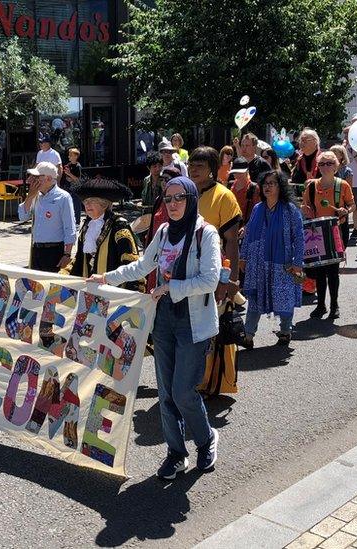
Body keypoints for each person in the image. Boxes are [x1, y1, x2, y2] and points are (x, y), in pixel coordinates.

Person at [89, 176, 221, 479]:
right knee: (165, 393)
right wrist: (106, 278)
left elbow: (210, 280)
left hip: (193, 323)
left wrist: (170, 287)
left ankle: (206, 439)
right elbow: (141, 267)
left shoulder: (205, 234)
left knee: (183, 392)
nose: (172, 204)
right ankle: (176, 453)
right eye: (168, 198)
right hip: (163, 321)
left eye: (179, 198)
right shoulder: (162, 233)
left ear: (191, 199)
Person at [188, 146, 242, 395]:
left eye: (199, 165)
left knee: (212, 329)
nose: (193, 169)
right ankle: (192, 379)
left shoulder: (224, 196)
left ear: (212, 169)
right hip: (187, 273)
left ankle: (212, 382)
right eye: (191, 164)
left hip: (215, 272)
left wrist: (230, 280)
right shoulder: (185, 194)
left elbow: (231, 241)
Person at [241, 170, 304, 346]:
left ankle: (285, 331)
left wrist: (298, 263)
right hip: (257, 263)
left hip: (282, 263)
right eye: (265, 183)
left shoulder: (290, 210)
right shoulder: (257, 209)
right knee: (254, 300)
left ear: (280, 186)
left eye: (272, 183)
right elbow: (248, 235)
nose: (267, 186)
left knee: (283, 297)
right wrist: (243, 257)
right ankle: (248, 336)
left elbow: (299, 237)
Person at [61, 179, 143, 291]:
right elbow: (80, 258)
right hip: (89, 290)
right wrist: (64, 274)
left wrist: (132, 294)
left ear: (104, 204)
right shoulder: (87, 227)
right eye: (85, 201)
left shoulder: (119, 227)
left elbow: (130, 262)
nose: (87, 204)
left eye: (92, 201)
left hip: (112, 292)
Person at [301, 151, 355, 319]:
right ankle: (321, 305)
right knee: (319, 270)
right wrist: (305, 210)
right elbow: (305, 206)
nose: (325, 167)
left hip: (336, 231)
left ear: (336, 166)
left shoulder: (342, 185)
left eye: (329, 163)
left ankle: (334, 305)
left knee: (332, 270)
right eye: (322, 164)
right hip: (317, 232)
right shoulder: (311, 186)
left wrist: (346, 210)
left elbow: (353, 205)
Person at [18, 162, 76, 272]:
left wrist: (67, 254)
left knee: (52, 287)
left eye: (36, 177)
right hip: (36, 250)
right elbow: (23, 217)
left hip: (54, 251)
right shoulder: (36, 195)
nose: (31, 180)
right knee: (37, 287)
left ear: (48, 178)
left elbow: (70, 227)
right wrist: (29, 197)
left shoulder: (63, 197)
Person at [226, 157, 261, 226]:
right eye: (235, 172)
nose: (237, 175)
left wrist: (247, 227)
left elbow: (257, 212)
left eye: (240, 172)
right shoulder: (230, 185)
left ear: (247, 171)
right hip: (230, 226)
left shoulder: (253, 188)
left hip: (246, 228)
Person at [290, 129, 321, 196]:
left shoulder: (324, 159)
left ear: (315, 142)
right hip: (301, 199)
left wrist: (315, 181)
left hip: (320, 198)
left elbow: (330, 181)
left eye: (304, 140)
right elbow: (294, 181)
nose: (301, 143)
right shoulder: (299, 160)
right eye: (300, 140)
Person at [59, 147, 83, 223]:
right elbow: (67, 177)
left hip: (75, 189)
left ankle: (77, 221)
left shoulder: (78, 166)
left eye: (70, 155)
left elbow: (78, 179)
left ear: (76, 156)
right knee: (68, 205)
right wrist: (67, 176)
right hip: (68, 188)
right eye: (69, 155)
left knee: (76, 205)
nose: (69, 156)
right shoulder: (68, 165)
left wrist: (69, 174)